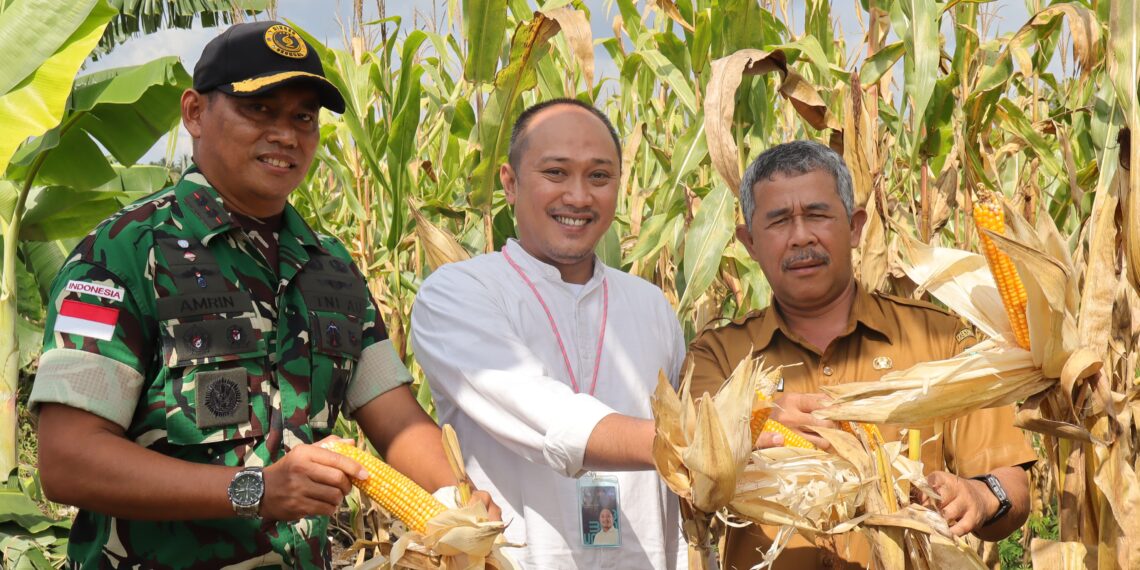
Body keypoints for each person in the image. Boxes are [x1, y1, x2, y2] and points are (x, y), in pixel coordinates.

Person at [29, 21, 495, 568]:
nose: (286, 134)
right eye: (260, 109)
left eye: (303, 117)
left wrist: (459, 499)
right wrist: (254, 489)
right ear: (195, 113)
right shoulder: (123, 254)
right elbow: (68, 460)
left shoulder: (332, 269)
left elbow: (394, 419)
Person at [685, 141, 1036, 569]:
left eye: (817, 214)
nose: (800, 236)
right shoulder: (718, 355)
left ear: (854, 227)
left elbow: (1010, 480)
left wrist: (982, 496)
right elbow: (683, 471)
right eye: (778, 221)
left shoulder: (940, 338)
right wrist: (743, 425)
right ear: (749, 242)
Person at [411, 99, 720, 568]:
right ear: (509, 184)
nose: (578, 197)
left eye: (599, 177)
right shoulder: (458, 293)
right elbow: (549, 418)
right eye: (555, 173)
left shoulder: (650, 304)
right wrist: (705, 441)